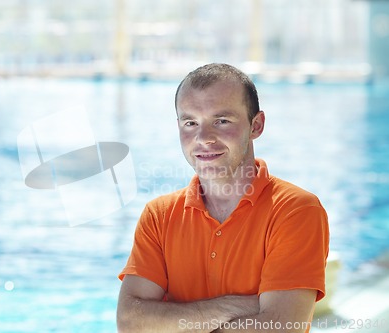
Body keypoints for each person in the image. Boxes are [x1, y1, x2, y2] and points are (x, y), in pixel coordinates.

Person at [116, 63, 329, 333]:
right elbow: (130, 322)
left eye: (222, 121)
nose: (204, 138)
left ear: (256, 125)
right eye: (190, 122)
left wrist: (169, 322)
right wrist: (237, 306)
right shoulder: (159, 215)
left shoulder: (295, 210)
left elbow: (280, 328)